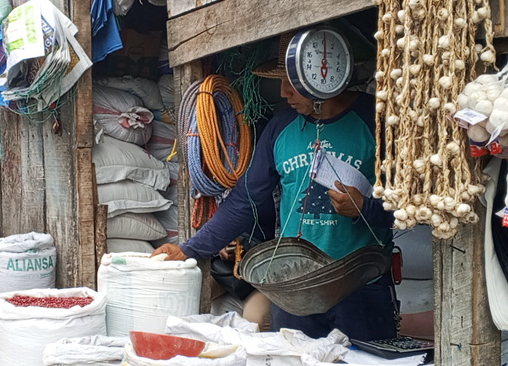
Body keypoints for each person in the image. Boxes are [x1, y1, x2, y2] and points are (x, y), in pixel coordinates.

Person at [152, 31, 398, 341]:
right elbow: (246, 201)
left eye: (292, 82)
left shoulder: (375, 122)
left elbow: (410, 207)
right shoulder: (281, 127)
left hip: (361, 287)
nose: (283, 92)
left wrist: (365, 208)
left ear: (322, 78)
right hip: (295, 289)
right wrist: (189, 249)